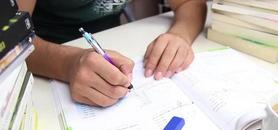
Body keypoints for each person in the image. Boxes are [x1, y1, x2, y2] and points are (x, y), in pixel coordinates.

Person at [16, 0, 207, 107]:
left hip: (114, 45)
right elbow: (12, 40)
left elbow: (189, 3)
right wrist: (68, 64)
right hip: (41, 65)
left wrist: (180, 35)